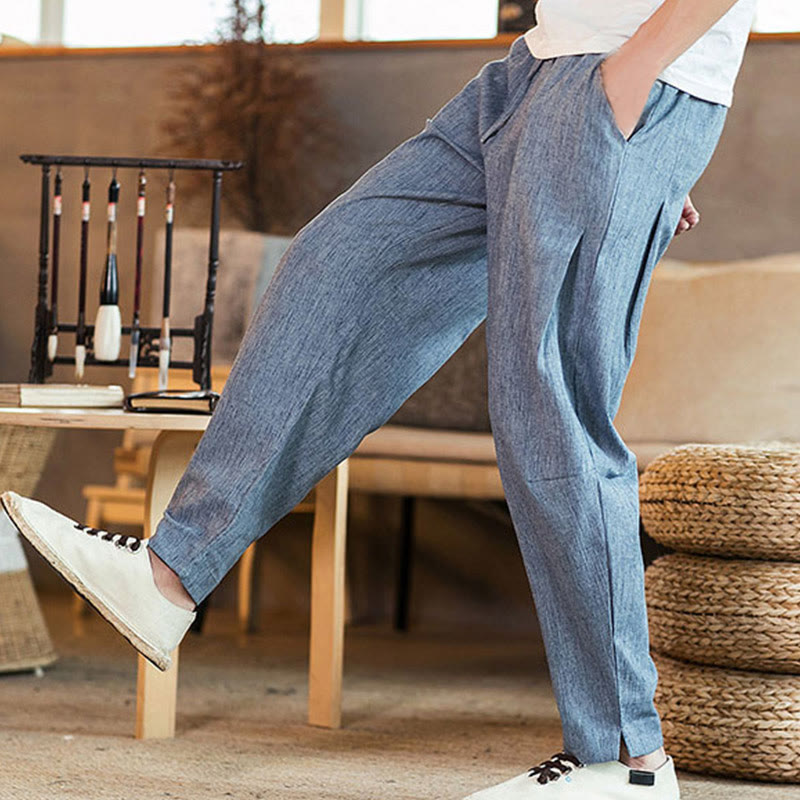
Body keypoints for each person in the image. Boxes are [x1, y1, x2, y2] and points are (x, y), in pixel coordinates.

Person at [3, 1, 757, 797]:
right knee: (336, 264)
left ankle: (626, 759)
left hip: (622, 73)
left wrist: (641, 80)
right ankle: (171, 575)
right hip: (536, 69)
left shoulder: (632, 74)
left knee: (550, 403)